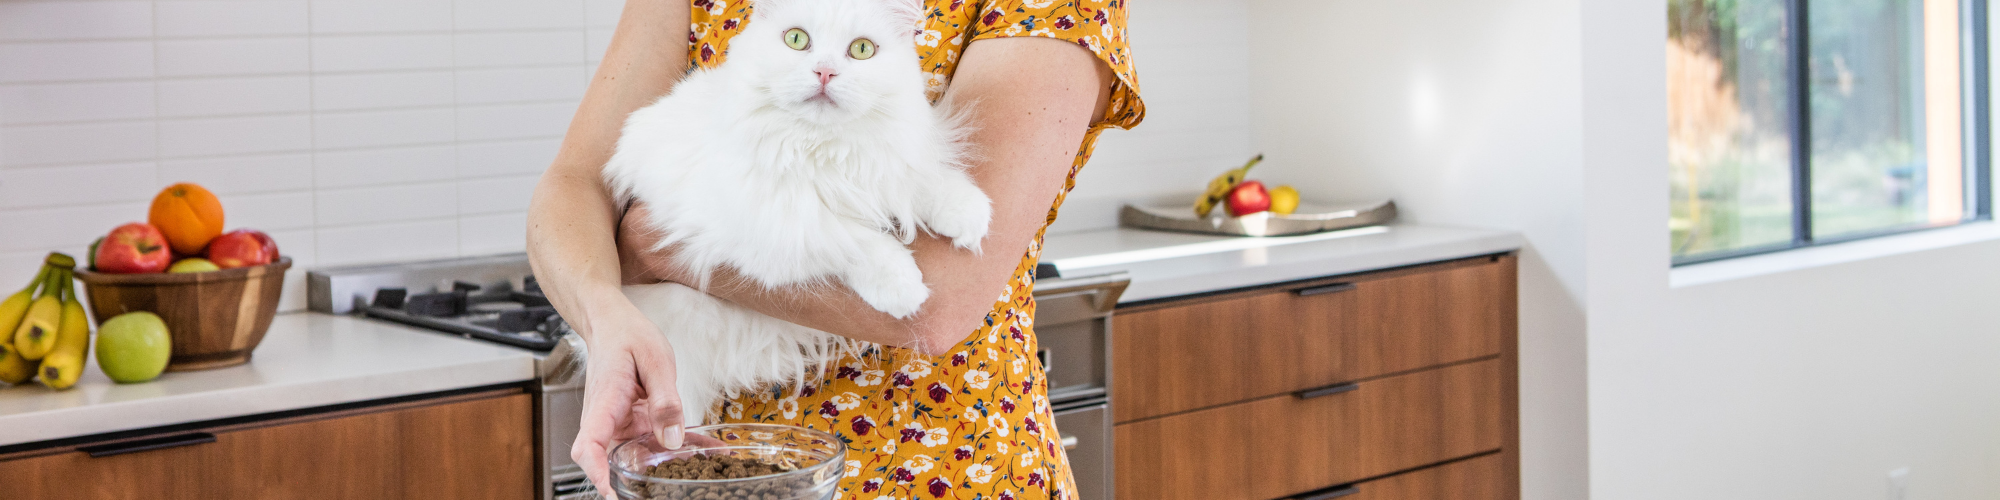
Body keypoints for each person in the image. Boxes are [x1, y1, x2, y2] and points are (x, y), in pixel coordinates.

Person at [526, 0, 1142, 497]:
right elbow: (572, 185)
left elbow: (937, 300)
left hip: (937, 464)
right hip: (704, 463)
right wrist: (604, 318)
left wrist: (653, 246)